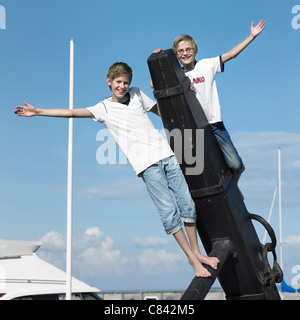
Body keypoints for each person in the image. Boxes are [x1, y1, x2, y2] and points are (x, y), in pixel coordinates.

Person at [15, 62, 219, 278]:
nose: (122, 86)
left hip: (166, 154)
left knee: (187, 203)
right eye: (118, 82)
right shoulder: (103, 108)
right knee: (169, 212)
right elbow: (71, 112)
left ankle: (198, 253)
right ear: (109, 81)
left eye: (126, 82)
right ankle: (191, 259)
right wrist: (38, 111)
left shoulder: (138, 94)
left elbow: (161, 111)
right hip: (146, 165)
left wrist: (184, 107)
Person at [152, 20, 265, 183]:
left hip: (214, 123)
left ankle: (234, 189)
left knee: (236, 165)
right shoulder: (176, 75)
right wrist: (158, 59)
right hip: (194, 127)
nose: (185, 53)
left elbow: (232, 54)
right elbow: (152, 83)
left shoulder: (206, 65)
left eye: (188, 49)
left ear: (195, 50)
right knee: (199, 171)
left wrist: (252, 36)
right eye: (181, 51)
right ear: (176, 55)